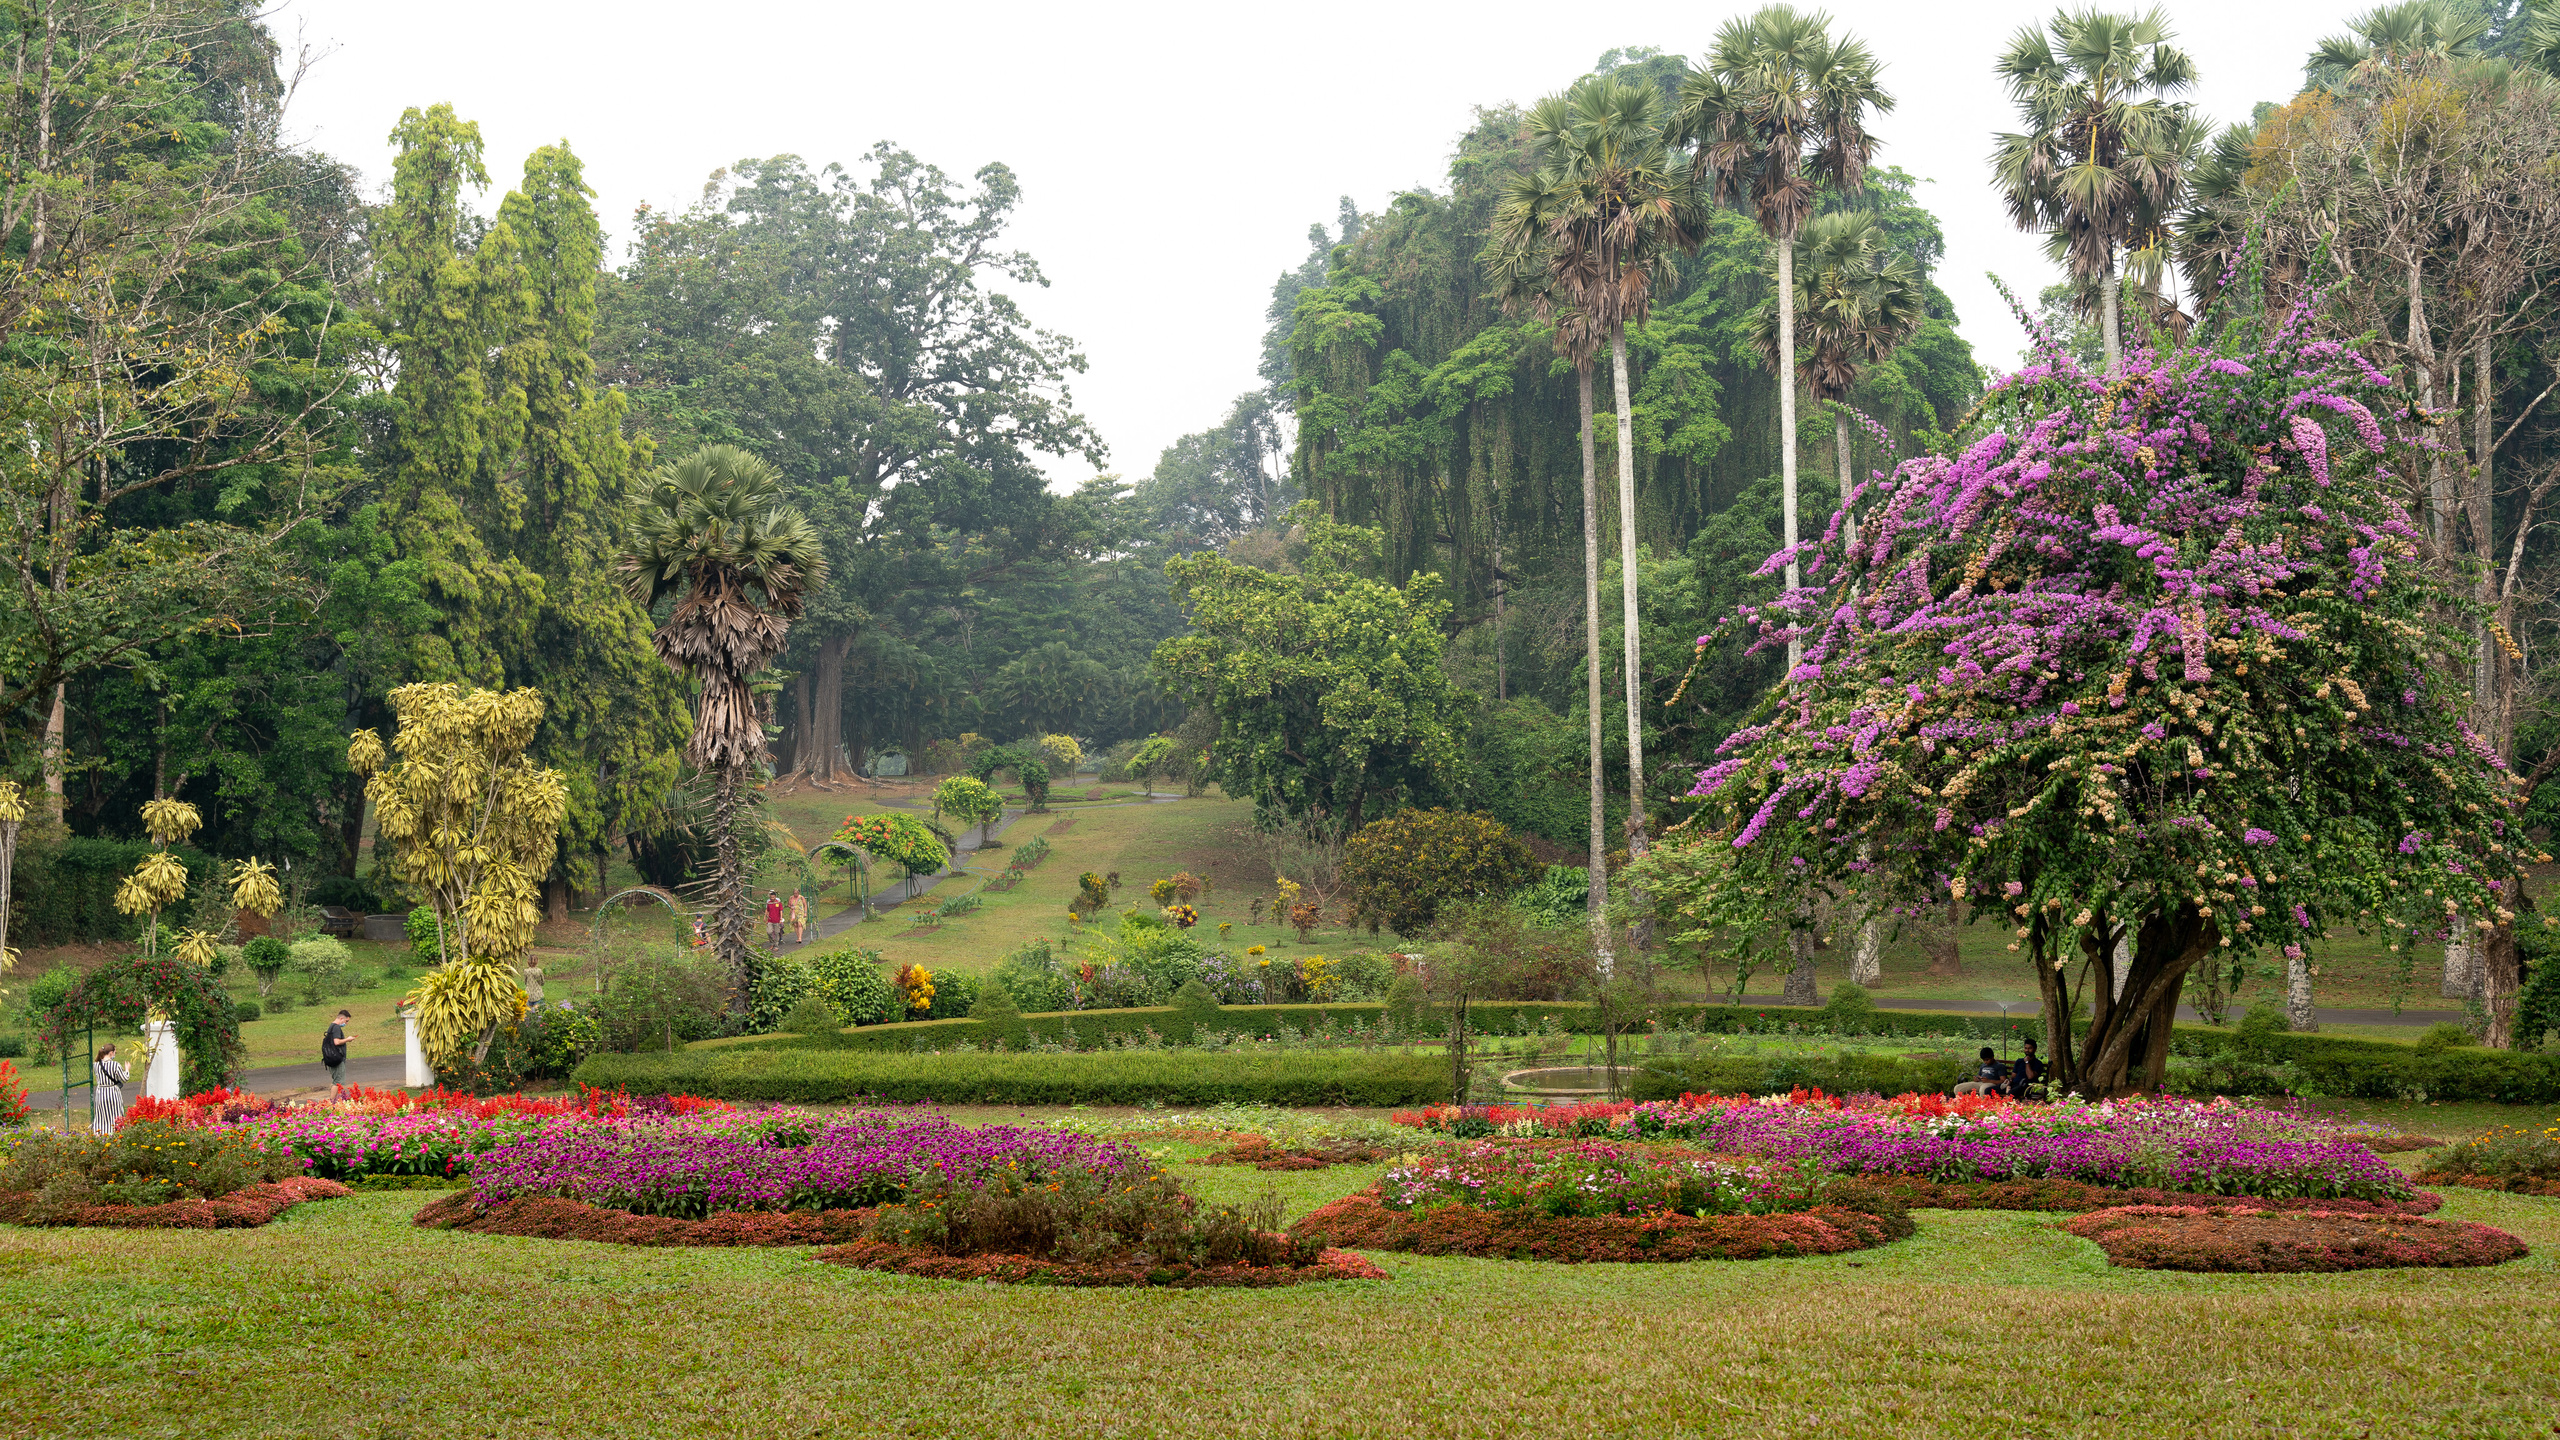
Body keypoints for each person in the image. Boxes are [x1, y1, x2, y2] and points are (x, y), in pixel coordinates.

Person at [91, 1044, 127, 1133]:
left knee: (101, 1115)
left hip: (101, 1093)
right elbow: (124, 1078)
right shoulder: (115, 1065)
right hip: (113, 1092)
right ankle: (117, 1132)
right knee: (116, 1114)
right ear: (111, 1053)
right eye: (115, 1052)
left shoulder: (96, 1065)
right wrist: (127, 1070)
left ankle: (100, 1134)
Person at [322, 1009, 352, 1099]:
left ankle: (333, 1100)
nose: (346, 1023)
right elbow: (337, 1042)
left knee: (335, 1080)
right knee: (338, 1082)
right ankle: (331, 1102)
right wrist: (348, 1039)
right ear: (341, 1018)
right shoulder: (336, 1027)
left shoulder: (331, 1026)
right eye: (346, 1021)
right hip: (337, 1058)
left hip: (330, 1058)